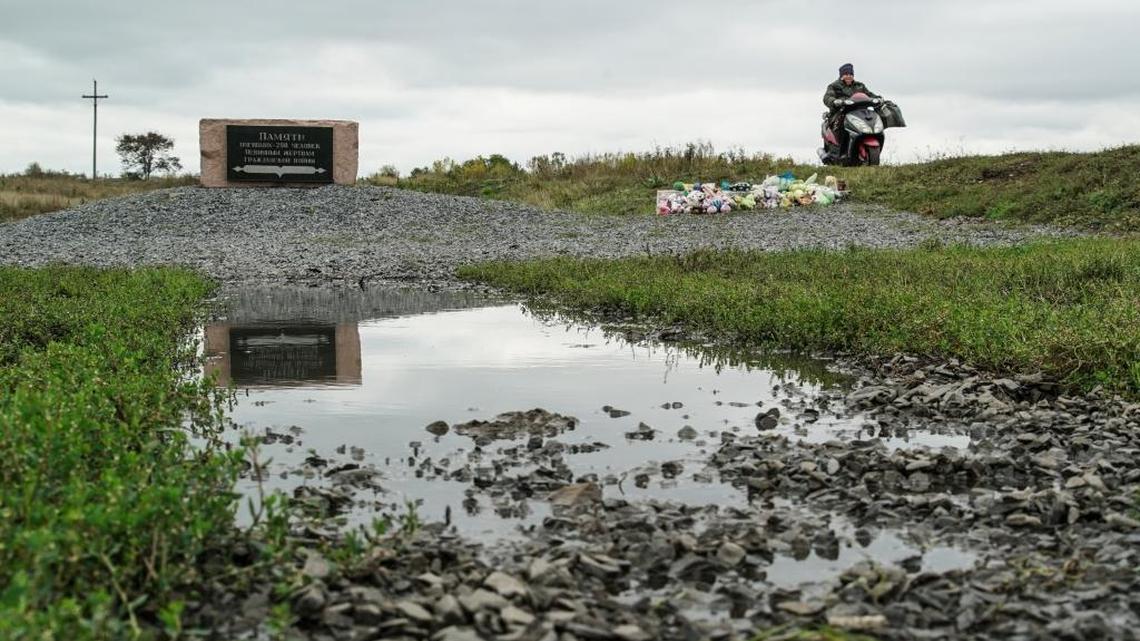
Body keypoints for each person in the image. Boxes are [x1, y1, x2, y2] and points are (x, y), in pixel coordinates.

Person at [823, 63, 880, 152]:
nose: (849, 76)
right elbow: (827, 97)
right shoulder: (834, 86)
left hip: (860, 113)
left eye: (851, 74)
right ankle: (838, 149)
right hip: (841, 112)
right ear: (842, 75)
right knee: (840, 124)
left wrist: (878, 98)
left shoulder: (860, 85)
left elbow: (869, 94)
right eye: (846, 74)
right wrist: (834, 101)